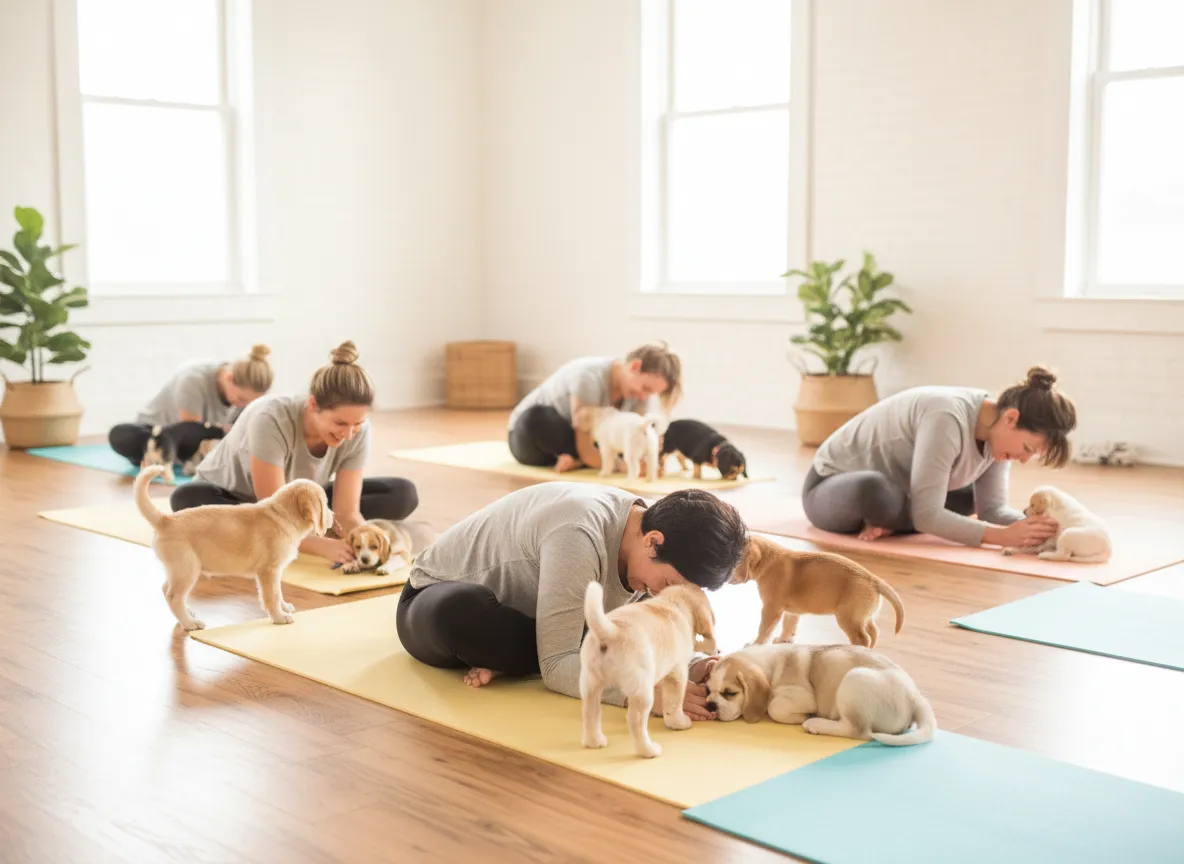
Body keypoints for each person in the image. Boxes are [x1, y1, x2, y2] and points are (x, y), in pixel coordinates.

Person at [397, 482, 748, 719]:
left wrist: (695, 664)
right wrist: (643, 690)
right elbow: (556, 664)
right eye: (669, 583)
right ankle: (508, 657)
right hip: (431, 601)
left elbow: (643, 635)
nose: (660, 594)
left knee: (595, 643)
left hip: (539, 620)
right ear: (653, 542)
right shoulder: (579, 532)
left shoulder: (654, 546)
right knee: (468, 615)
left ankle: (510, 662)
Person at [169, 341, 418, 566]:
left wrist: (366, 538)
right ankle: (305, 532)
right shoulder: (270, 418)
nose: (349, 434)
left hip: (302, 501)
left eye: (357, 424)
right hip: (243, 501)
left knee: (402, 493)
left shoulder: (358, 431)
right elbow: (273, 512)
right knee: (186, 500)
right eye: (340, 424)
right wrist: (322, 546)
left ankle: (305, 529)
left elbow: (346, 512)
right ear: (313, 406)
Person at [802, 366, 1077, 549]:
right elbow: (926, 514)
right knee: (877, 492)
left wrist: (1037, 529)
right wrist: (1003, 537)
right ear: (1011, 418)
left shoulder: (998, 434)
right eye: (1027, 449)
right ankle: (895, 519)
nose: (1024, 460)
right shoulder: (946, 417)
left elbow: (991, 510)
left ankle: (893, 523)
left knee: (969, 498)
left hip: (906, 495)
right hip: (831, 487)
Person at [507, 341, 682, 473]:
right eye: (645, 388)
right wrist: (625, 467)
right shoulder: (589, 377)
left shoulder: (638, 397)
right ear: (635, 367)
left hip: (583, 443)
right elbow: (586, 447)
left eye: (651, 394)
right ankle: (578, 459)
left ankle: (575, 460)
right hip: (530, 438)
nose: (644, 397)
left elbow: (631, 438)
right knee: (537, 418)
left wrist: (648, 454)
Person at [108, 345, 274, 465]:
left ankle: (166, 459)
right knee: (121, 435)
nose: (244, 405)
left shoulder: (243, 396)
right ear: (229, 378)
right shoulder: (192, 379)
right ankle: (157, 453)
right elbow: (191, 432)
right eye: (242, 399)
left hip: (205, 439)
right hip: (162, 432)